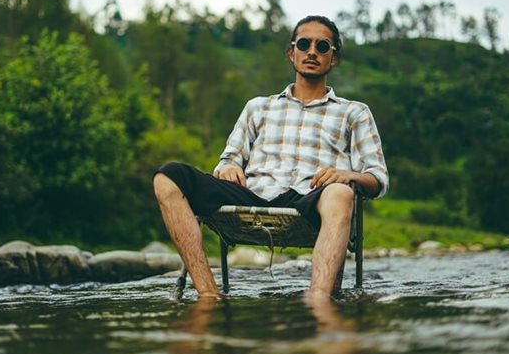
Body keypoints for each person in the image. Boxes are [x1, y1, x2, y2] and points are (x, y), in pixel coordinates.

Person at [153, 15, 389, 301]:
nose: (312, 51)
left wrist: (349, 175)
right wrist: (227, 166)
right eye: (304, 44)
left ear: (334, 58)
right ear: (292, 53)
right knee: (168, 177)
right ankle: (208, 295)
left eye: (322, 46)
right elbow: (229, 158)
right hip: (251, 195)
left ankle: (318, 300)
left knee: (340, 192)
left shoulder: (354, 112)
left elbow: (377, 178)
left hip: (310, 199)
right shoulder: (258, 108)